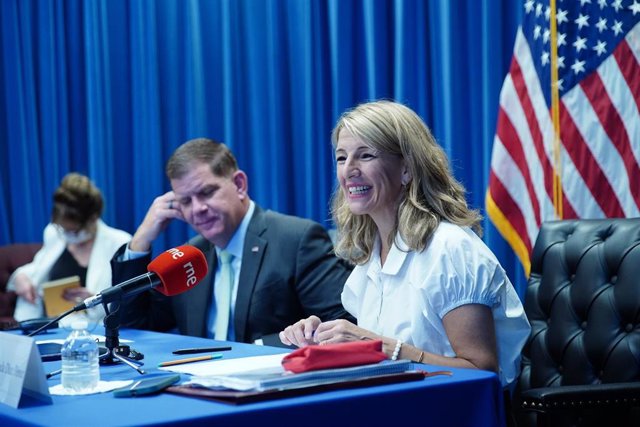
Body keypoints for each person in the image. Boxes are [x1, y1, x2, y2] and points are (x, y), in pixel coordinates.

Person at [279, 100, 530, 387]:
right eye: (341, 157)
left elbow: (481, 370)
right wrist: (321, 337)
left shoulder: (450, 249)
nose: (348, 170)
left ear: (407, 169)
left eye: (366, 155)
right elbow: (375, 355)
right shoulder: (372, 253)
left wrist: (382, 346)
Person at [111, 137, 353, 347]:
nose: (198, 209)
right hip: (200, 390)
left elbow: (343, 324)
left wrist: (258, 347)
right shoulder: (190, 258)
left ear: (239, 184)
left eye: (207, 192)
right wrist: (141, 240)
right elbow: (135, 326)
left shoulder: (296, 239)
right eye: (185, 201)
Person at [8, 172, 132, 323]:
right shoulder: (53, 233)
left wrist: (93, 300)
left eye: (73, 231)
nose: (67, 235)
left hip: (90, 330)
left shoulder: (118, 243)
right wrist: (20, 277)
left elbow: (127, 303)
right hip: (47, 326)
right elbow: (38, 268)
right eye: (62, 229)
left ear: (93, 218)